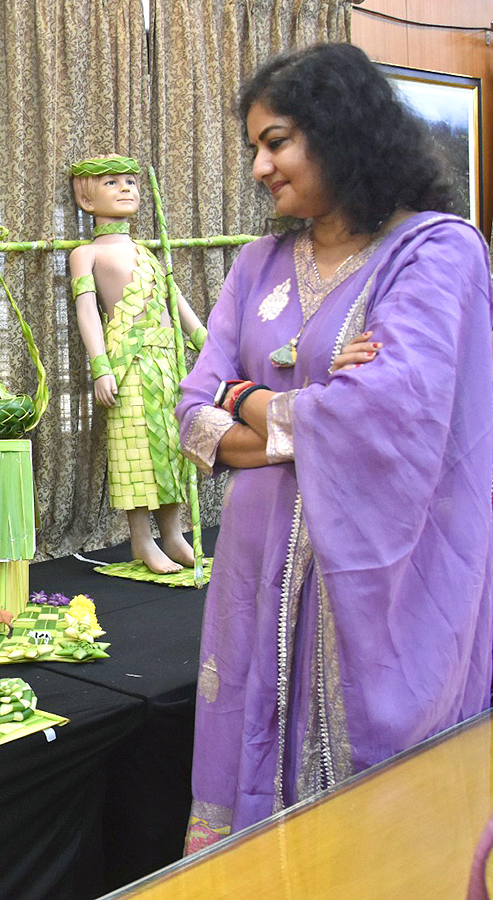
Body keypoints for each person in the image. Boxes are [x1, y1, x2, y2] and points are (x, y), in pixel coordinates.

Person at [176, 43, 493, 852]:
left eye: (275, 141)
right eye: (254, 146)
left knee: (373, 832)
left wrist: (244, 399)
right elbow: (189, 414)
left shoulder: (435, 252)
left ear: (340, 130)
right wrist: (305, 411)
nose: (258, 167)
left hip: (379, 588)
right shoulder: (255, 267)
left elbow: (388, 413)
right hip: (253, 582)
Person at [69, 155, 207, 574]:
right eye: (112, 182)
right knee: (134, 450)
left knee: (171, 446)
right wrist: (100, 366)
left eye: (131, 181)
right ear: (86, 197)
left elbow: (174, 299)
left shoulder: (149, 252)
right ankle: (142, 541)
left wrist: (206, 343)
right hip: (127, 361)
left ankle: (173, 533)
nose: (127, 188)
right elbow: (87, 310)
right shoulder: (85, 253)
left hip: (167, 361)